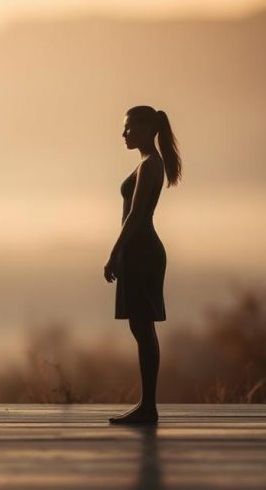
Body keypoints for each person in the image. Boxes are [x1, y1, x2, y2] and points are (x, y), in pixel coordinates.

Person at [104, 105, 182, 424]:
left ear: (148, 129)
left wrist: (114, 252)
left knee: (144, 327)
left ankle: (148, 406)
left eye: (129, 128)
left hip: (143, 253)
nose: (124, 134)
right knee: (140, 326)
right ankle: (146, 405)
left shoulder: (151, 165)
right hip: (139, 251)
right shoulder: (148, 164)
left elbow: (136, 214)